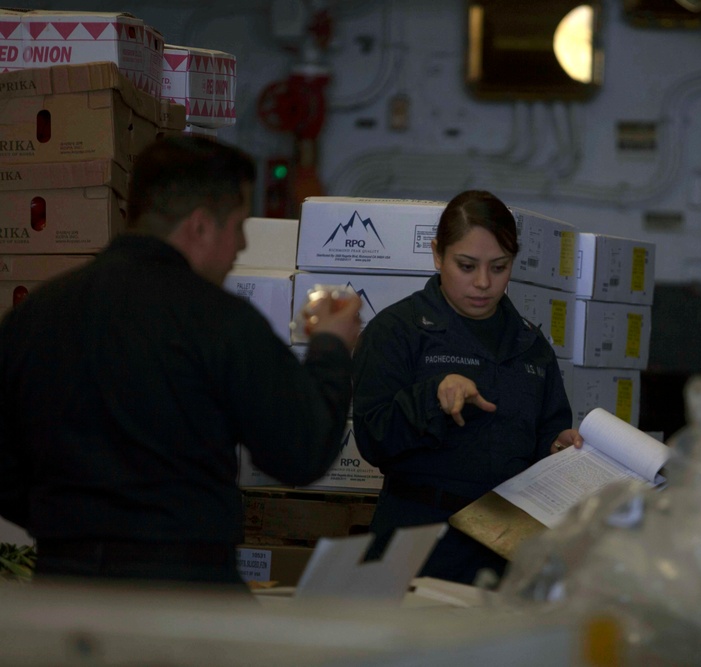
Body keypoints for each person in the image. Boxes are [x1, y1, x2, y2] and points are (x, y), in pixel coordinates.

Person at [0, 136, 362, 588]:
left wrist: (71, 526)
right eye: (238, 224)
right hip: (181, 590)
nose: (241, 244)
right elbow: (301, 451)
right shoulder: (219, 320)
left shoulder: (36, 315)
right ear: (200, 227)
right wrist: (329, 347)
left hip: (63, 587)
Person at [351, 190, 581, 585]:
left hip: (505, 549)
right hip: (417, 543)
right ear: (437, 254)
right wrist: (432, 396)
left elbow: (548, 429)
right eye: (466, 265)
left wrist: (559, 446)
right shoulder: (398, 332)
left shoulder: (531, 345)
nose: (483, 283)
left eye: (499, 267)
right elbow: (373, 438)